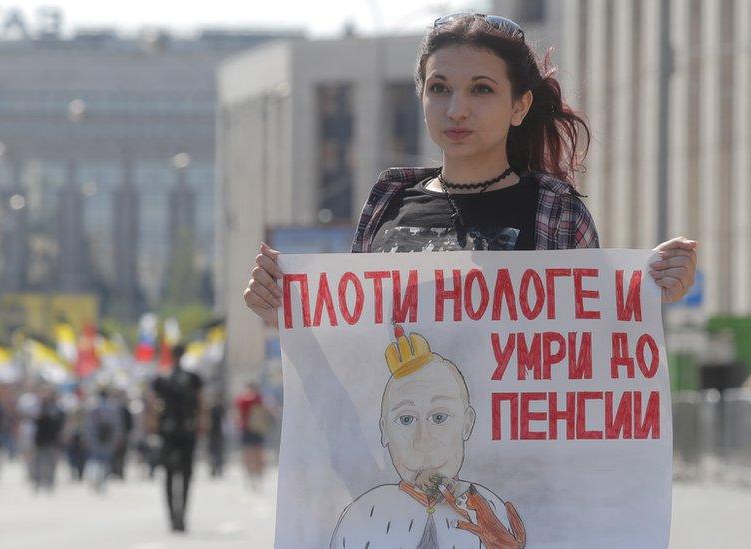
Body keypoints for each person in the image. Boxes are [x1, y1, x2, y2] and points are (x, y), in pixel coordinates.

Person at [243, 12, 698, 328]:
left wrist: (648, 289)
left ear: (519, 106)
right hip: (403, 463)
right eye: (439, 88)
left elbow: (589, 344)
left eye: (481, 89)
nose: (456, 109)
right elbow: (358, 344)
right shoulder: (388, 203)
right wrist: (287, 312)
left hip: (518, 461)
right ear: (422, 97)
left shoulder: (554, 211)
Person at [331, 323, 524, 548]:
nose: (423, 440)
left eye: (439, 417)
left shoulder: (489, 510)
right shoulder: (363, 516)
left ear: (467, 423)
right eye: (406, 419)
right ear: (384, 430)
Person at [149, 344, 204, 532]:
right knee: (182, 476)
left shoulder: (165, 378)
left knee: (173, 476)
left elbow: (153, 406)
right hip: (181, 432)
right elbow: (200, 405)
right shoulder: (189, 378)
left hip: (171, 432)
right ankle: (178, 516)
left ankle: (176, 516)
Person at [85, 388, 123, 492]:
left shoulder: (93, 407)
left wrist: (87, 437)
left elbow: (88, 425)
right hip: (108, 438)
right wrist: (117, 438)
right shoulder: (112, 408)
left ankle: (94, 479)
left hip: (96, 437)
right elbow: (117, 426)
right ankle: (102, 482)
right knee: (105, 461)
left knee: (96, 459)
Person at [233, 382, 268, 489]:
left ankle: (251, 477)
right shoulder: (259, 398)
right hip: (256, 429)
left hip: (248, 429)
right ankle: (256, 476)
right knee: (257, 453)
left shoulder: (242, 399)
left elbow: (237, 414)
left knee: (249, 454)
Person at [31, 388, 65, 493]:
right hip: (42, 440)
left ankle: (49, 482)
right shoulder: (40, 410)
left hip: (51, 440)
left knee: (50, 463)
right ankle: (39, 482)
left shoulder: (57, 410)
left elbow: (60, 424)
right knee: (40, 462)